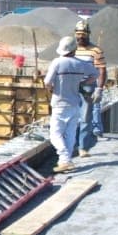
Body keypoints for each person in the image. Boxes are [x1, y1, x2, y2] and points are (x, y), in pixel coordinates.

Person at [42, 36, 99, 173]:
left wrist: (52, 88)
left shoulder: (57, 62)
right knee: (70, 134)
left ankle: (64, 158)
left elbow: (47, 82)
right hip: (75, 104)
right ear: (74, 49)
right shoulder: (81, 63)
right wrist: (83, 83)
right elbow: (95, 74)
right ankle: (66, 161)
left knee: (55, 134)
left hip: (60, 103)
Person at [73, 18, 108, 155]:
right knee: (72, 117)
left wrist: (99, 89)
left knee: (85, 118)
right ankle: (72, 145)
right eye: (79, 34)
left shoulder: (96, 51)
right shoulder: (71, 50)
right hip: (72, 87)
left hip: (87, 88)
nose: (81, 37)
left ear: (88, 34)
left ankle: (82, 147)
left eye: (83, 34)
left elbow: (102, 70)